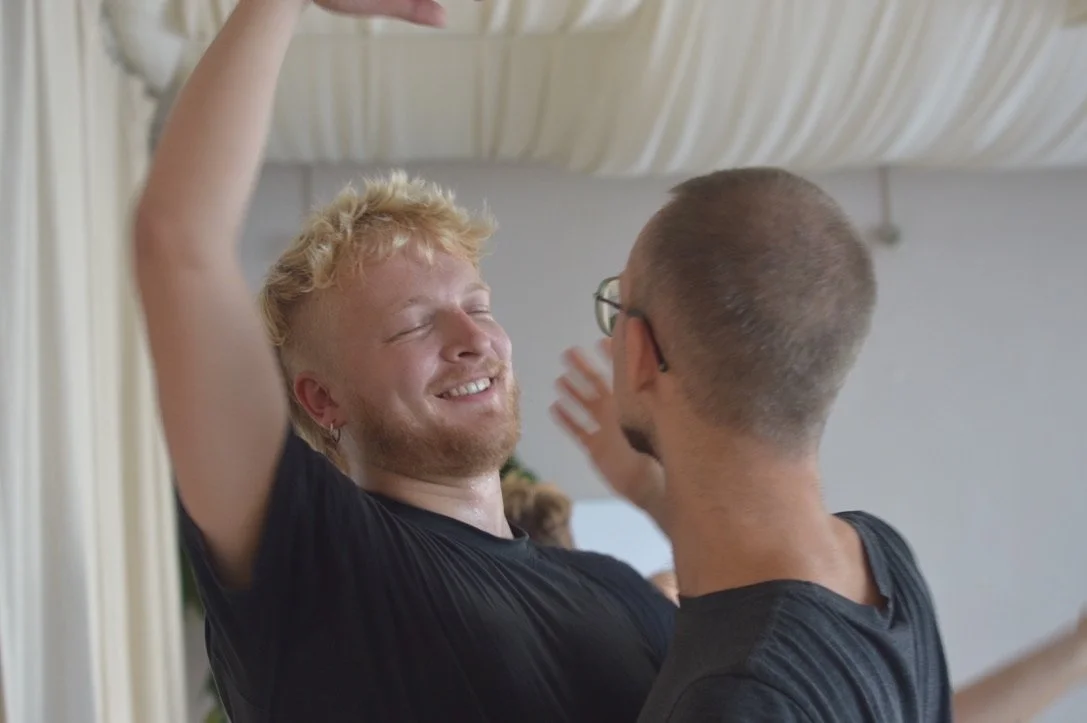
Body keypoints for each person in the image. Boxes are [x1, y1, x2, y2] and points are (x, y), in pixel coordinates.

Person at [133, 0, 1083, 720]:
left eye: (478, 306)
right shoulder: (319, 557)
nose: (473, 338)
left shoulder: (612, 589)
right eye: (414, 325)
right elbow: (179, 244)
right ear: (318, 397)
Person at [549, 169, 1084, 722]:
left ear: (639, 351)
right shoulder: (878, 558)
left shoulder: (733, 701)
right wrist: (651, 492)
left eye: (619, 306)